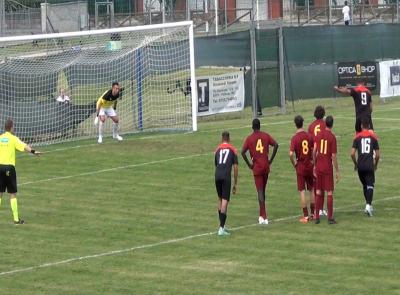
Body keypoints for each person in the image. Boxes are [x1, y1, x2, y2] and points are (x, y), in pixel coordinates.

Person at [0, 119, 41, 224]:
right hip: (9, 168)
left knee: (0, 193)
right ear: (11, 128)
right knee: (12, 193)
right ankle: (16, 219)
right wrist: (33, 151)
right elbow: (24, 146)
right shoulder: (13, 138)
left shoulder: (0, 138)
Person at [242, 118, 279, 225]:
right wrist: (270, 160)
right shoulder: (266, 135)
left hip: (257, 168)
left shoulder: (249, 139)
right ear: (260, 126)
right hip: (266, 167)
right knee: (263, 191)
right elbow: (276, 145)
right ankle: (261, 215)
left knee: (260, 191)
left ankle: (264, 217)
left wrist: (249, 164)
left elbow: (243, 152)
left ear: (252, 127)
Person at [351, 116, 380, 217]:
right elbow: (377, 155)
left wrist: (355, 164)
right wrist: (375, 165)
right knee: (370, 185)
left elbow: (352, 153)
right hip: (369, 165)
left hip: (360, 165)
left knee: (365, 185)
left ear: (361, 125)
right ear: (369, 125)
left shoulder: (357, 137)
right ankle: (368, 205)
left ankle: (369, 204)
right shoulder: (373, 137)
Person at [313, 116, 340, 224]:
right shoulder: (332, 137)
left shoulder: (319, 135)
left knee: (318, 191)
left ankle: (317, 217)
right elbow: (333, 156)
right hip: (327, 167)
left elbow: (314, 151)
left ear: (325, 124)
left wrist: (315, 164)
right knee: (329, 192)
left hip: (319, 166)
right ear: (332, 124)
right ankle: (330, 218)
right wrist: (337, 170)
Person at [289, 115, 315, 223]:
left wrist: (294, 163)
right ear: (302, 123)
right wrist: (313, 161)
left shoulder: (295, 138)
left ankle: (305, 216)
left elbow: (290, 154)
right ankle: (313, 213)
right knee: (312, 189)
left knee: (302, 191)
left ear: (295, 124)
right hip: (309, 164)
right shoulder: (309, 136)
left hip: (300, 165)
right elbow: (313, 150)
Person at [214, 131, 238, 236]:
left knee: (220, 199)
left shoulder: (217, 149)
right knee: (225, 201)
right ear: (229, 139)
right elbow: (236, 167)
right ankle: (221, 229)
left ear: (221, 139)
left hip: (217, 175)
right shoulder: (232, 149)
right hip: (226, 176)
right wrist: (235, 182)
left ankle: (222, 226)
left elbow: (216, 164)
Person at [308, 105, 327, 217]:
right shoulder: (324, 125)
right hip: (322, 155)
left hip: (313, 156)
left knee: (316, 185)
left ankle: (317, 209)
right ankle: (321, 209)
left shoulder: (311, 126)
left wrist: (312, 158)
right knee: (323, 184)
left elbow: (310, 144)